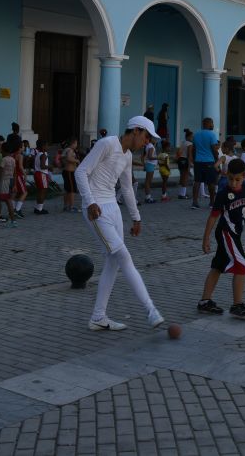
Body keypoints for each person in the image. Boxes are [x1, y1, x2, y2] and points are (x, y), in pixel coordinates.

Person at [76, 116, 165, 332]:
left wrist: (136, 218)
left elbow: (126, 188)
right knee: (123, 256)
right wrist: (90, 202)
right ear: (135, 131)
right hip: (96, 210)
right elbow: (81, 171)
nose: (147, 143)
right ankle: (150, 310)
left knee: (114, 262)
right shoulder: (107, 144)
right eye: (146, 137)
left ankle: (98, 317)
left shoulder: (127, 156)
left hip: (113, 209)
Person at [197, 158, 245, 320]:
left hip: (235, 234)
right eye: (230, 179)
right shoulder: (222, 195)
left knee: (218, 266)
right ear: (226, 176)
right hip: (226, 233)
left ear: (244, 177)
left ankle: (204, 302)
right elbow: (212, 218)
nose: (234, 183)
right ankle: (237, 305)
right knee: (242, 265)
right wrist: (205, 239)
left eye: (237, 179)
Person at [191, 118, 220, 209]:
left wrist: (195, 159)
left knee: (197, 181)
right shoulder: (212, 134)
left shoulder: (196, 134)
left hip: (198, 161)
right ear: (209, 124)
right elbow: (214, 149)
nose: (213, 125)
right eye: (212, 123)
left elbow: (194, 149)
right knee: (211, 182)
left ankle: (195, 202)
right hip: (209, 161)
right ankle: (212, 202)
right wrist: (216, 159)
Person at [0, 139, 19, 227]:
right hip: (11, 180)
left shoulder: (3, 160)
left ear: (3, 150)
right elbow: (15, 173)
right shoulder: (13, 159)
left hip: (5, 181)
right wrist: (15, 184)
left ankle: (13, 221)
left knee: (7, 201)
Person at [61, 137, 80, 213]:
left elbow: (63, 158)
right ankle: (71, 207)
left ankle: (66, 206)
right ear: (72, 143)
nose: (76, 145)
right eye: (76, 143)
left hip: (67, 171)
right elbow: (69, 158)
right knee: (72, 190)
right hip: (69, 172)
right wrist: (77, 161)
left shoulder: (66, 149)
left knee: (67, 189)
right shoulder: (70, 150)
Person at [32, 139, 50, 215]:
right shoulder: (43, 155)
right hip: (42, 174)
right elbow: (42, 166)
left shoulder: (38, 154)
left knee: (39, 191)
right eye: (47, 145)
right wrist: (50, 167)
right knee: (43, 191)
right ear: (43, 147)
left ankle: (38, 207)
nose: (48, 147)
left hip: (37, 173)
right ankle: (39, 209)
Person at [177, 129, 193, 200]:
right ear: (188, 137)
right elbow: (189, 155)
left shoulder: (182, 142)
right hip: (185, 160)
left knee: (181, 177)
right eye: (192, 137)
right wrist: (189, 165)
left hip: (180, 160)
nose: (192, 138)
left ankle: (181, 193)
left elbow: (179, 152)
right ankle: (183, 194)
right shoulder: (189, 144)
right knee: (185, 178)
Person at [142, 136, 158, 204]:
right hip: (150, 165)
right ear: (151, 139)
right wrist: (158, 158)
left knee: (147, 182)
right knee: (148, 182)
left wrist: (144, 165)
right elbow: (150, 157)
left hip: (149, 165)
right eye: (155, 139)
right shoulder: (150, 146)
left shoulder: (148, 146)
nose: (156, 140)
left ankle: (147, 197)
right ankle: (148, 197)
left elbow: (143, 157)